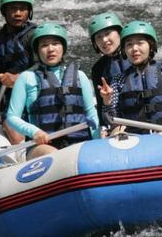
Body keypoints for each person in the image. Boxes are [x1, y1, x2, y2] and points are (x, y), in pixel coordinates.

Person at [7, 23, 100, 160]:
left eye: (55, 44)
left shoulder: (80, 76)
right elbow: (12, 117)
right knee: (54, 156)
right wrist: (34, 132)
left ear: (63, 47)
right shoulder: (27, 78)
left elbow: (91, 114)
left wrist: (98, 140)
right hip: (42, 145)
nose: (50, 49)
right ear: (37, 51)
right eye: (44, 45)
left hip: (78, 141)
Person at [100, 20, 162, 135]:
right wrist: (107, 101)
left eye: (140, 43)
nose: (134, 48)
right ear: (124, 50)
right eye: (129, 44)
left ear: (151, 46)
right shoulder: (119, 81)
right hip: (136, 138)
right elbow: (110, 119)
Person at [0, 0, 37, 144]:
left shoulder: (35, 35)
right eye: (12, 9)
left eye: (22, 9)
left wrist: (20, 78)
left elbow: (44, 66)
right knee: (10, 125)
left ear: (29, 12)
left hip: (36, 93)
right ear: (4, 12)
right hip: (11, 101)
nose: (18, 13)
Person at [88, 12, 130, 132]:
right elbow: (102, 105)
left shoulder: (136, 56)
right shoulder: (98, 68)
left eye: (107, 34)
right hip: (118, 122)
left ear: (120, 33)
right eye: (98, 37)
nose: (104, 40)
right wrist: (103, 127)